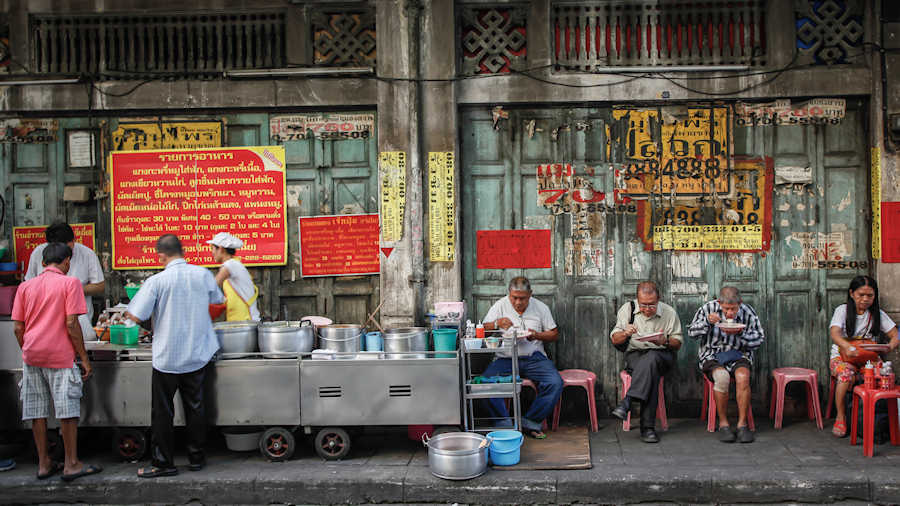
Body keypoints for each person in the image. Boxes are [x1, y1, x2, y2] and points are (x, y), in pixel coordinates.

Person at [125, 234, 225, 478]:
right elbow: (218, 301)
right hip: (197, 354)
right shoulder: (202, 274)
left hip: (167, 357)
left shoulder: (156, 281)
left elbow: (135, 315)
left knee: (163, 412)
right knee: (196, 407)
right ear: (183, 251)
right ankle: (196, 458)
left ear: (161, 255)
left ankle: (163, 463)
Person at [13, 242, 102, 482]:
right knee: (67, 409)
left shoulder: (25, 287)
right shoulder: (69, 283)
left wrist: (29, 349)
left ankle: (44, 463)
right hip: (59, 356)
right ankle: (71, 464)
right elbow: (72, 324)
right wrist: (84, 359)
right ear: (66, 263)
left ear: (42, 263)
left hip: (31, 356)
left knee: (36, 411)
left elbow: (18, 327)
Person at [481, 276, 562, 439]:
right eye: (514, 298)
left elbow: (554, 334)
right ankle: (504, 424)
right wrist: (497, 324)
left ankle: (530, 421)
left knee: (555, 382)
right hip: (505, 358)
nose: (518, 302)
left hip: (534, 358)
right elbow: (482, 330)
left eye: (522, 298)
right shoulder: (500, 306)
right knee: (485, 383)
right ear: (509, 294)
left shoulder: (540, 307)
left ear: (530, 294)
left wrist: (537, 335)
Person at [688, 286, 765, 443]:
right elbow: (692, 333)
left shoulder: (747, 311)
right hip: (712, 354)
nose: (730, 313)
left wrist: (741, 333)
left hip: (738, 353)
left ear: (740, 303)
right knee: (722, 377)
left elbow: (759, 339)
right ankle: (723, 424)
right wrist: (707, 323)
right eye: (726, 309)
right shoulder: (708, 309)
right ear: (719, 302)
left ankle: (742, 424)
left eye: (733, 309)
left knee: (743, 377)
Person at [609, 281, 682, 443]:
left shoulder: (669, 313)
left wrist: (665, 341)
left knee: (653, 358)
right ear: (637, 299)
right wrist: (626, 333)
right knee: (651, 370)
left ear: (659, 300)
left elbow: (677, 343)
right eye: (643, 305)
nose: (647, 309)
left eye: (651, 305)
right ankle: (647, 428)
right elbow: (615, 339)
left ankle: (628, 401)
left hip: (663, 355)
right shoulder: (627, 309)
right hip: (636, 355)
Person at [828, 275, 899, 437]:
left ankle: (880, 421)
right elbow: (835, 333)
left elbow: (896, 334)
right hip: (843, 357)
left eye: (870, 296)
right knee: (845, 375)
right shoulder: (842, 311)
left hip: (868, 358)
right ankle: (840, 416)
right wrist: (846, 346)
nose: (865, 299)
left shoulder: (878, 314)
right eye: (861, 295)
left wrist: (889, 347)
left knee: (884, 376)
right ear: (852, 293)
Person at [25, 222, 104, 340]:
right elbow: (28, 287)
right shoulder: (38, 253)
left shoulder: (87, 254)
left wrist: (72, 290)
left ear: (73, 240)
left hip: (80, 322)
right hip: (45, 322)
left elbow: (99, 286)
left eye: (66, 249)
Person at [206, 232, 259, 321]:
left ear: (221, 249)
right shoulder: (233, 264)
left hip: (246, 321)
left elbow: (212, 285)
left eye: (213, 249)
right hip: (240, 322)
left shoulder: (230, 265)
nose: (212, 252)